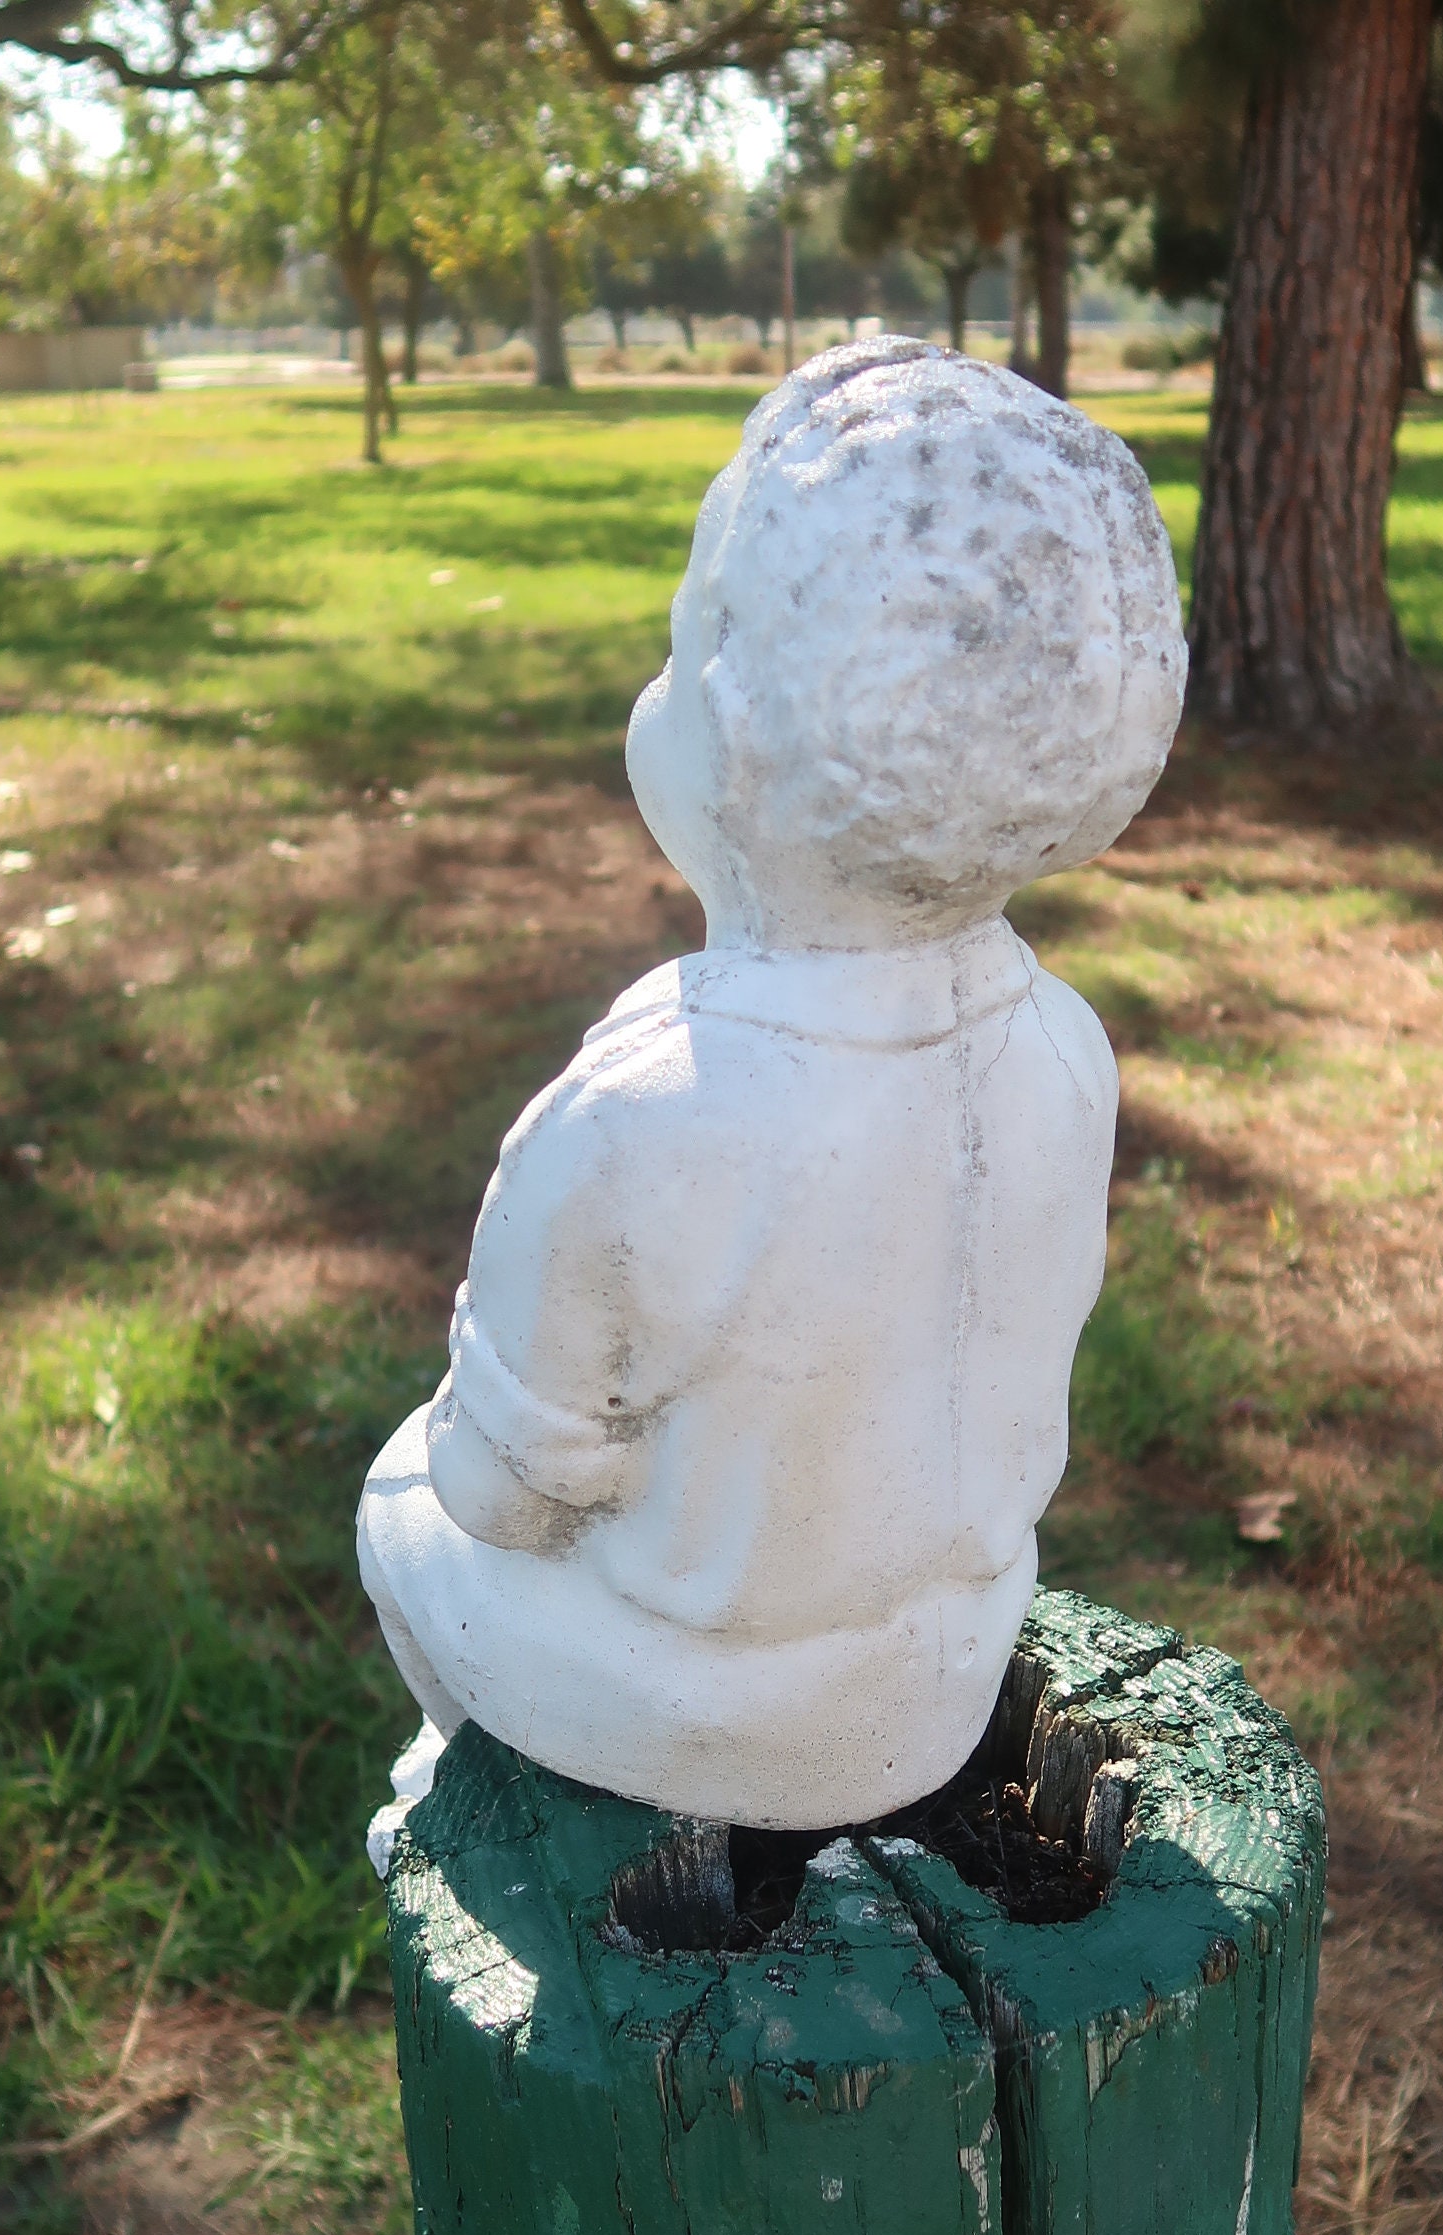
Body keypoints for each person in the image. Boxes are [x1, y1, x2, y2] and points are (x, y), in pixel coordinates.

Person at [360, 336, 1187, 1832]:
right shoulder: (1070, 1049)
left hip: (715, 1715)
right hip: (954, 1660)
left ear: (733, 736)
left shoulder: (643, 1117)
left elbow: (505, 1497)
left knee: (396, 1504)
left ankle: (474, 1793)